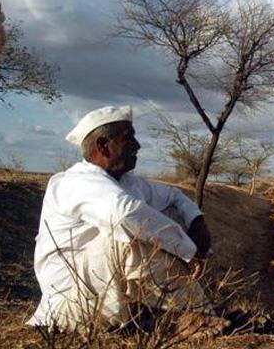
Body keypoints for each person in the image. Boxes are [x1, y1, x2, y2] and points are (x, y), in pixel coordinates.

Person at [27, 105, 219, 332]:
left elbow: (174, 196)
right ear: (103, 145)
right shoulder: (74, 182)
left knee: (165, 216)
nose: (137, 145)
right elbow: (125, 215)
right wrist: (188, 251)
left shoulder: (126, 182)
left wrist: (197, 220)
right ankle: (192, 316)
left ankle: (196, 314)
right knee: (128, 234)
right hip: (72, 301)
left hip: (107, 292)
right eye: (129, 138)